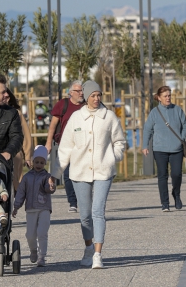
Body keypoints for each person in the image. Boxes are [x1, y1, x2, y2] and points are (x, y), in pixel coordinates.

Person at [57, 80, 126, 269]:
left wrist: (114, 156)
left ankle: (97, 254)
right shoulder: (76, 118)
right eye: (93, 95)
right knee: (85, 215)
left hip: (104, 169)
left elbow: (120, 141)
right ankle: (88, 247)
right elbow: (65, 148)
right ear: (86, 97)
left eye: (99, 95)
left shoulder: (109, 117)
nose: (96, 99)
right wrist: (55, 173)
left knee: (98, 212)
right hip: (79, 171)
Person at [142, 86, 186, 212]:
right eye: (165, 96)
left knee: (176, 174)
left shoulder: (177, 110)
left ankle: (177, 194)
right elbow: (147, 129)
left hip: (177, 148)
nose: (168, 98)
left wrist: (182, 138)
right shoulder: (154, 112)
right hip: (160, 149)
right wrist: (145, 145)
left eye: (169, 95)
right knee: (162, 176)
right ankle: (165, 203)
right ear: (159, 98)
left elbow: (185, 126)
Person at [12, 145, 57, 267]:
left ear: (45, 163)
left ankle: (42, 256)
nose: (39, 164)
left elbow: (49, 189)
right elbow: (21, 193)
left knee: (42, 232)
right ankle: (33, 250)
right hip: (31, 209)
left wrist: (52, 186)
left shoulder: (47, 177)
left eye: (42, 163)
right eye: (36, 162)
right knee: (30, 235)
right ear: (32, 162)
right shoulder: (27, 177)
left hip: (44, 208)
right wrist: (16, 207)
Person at [46, 80, 85, 213]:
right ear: (71, 93)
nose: (81, 93)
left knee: (84, 174)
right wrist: (48, 143)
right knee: (68, 174)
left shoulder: (87, 105)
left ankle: (85, 200)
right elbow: (52, 126)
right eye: (78, 91)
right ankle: (73, 202)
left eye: (82, 90)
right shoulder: (63, 104)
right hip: (66, 145)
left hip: (84, 145)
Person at [5, 88, 33, 193]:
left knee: (15, 184)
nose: (6, 99)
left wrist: (28, 156)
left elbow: (25, 135)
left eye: (8, 97)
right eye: (4, 96)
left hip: (15, 153)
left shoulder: (17, 113)